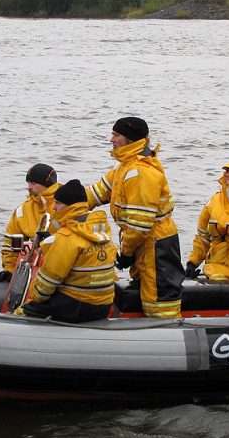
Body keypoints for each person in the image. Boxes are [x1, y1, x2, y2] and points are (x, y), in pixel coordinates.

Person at [86, 116, 183, 318]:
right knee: (144, 294)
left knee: (160, 303)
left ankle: (166, 338)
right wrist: (62, 201)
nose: (111, 139)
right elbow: (96, 193)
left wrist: (126, 253)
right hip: (144, 244)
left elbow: (139, 226)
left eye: (116, 135)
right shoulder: (124, 167)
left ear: (129, 140)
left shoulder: (141, 172)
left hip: (156, 246)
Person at [17, 179, 117, 322]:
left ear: (70, 207)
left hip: (76, 305)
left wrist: (33, 301)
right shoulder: (101, 231)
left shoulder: (66, 238)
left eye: (58, 203)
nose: (54, 208)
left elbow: (45, 286)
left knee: (26, 310)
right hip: (103, 305)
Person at [0, 163, 59, 283]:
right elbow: (9, 245)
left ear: (46, 184)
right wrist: (10, 270)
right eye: (28, 183)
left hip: (58, 270)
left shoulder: (63, 204)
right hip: (31, 270)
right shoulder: (22, 210)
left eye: (33, 183)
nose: (29, 187)